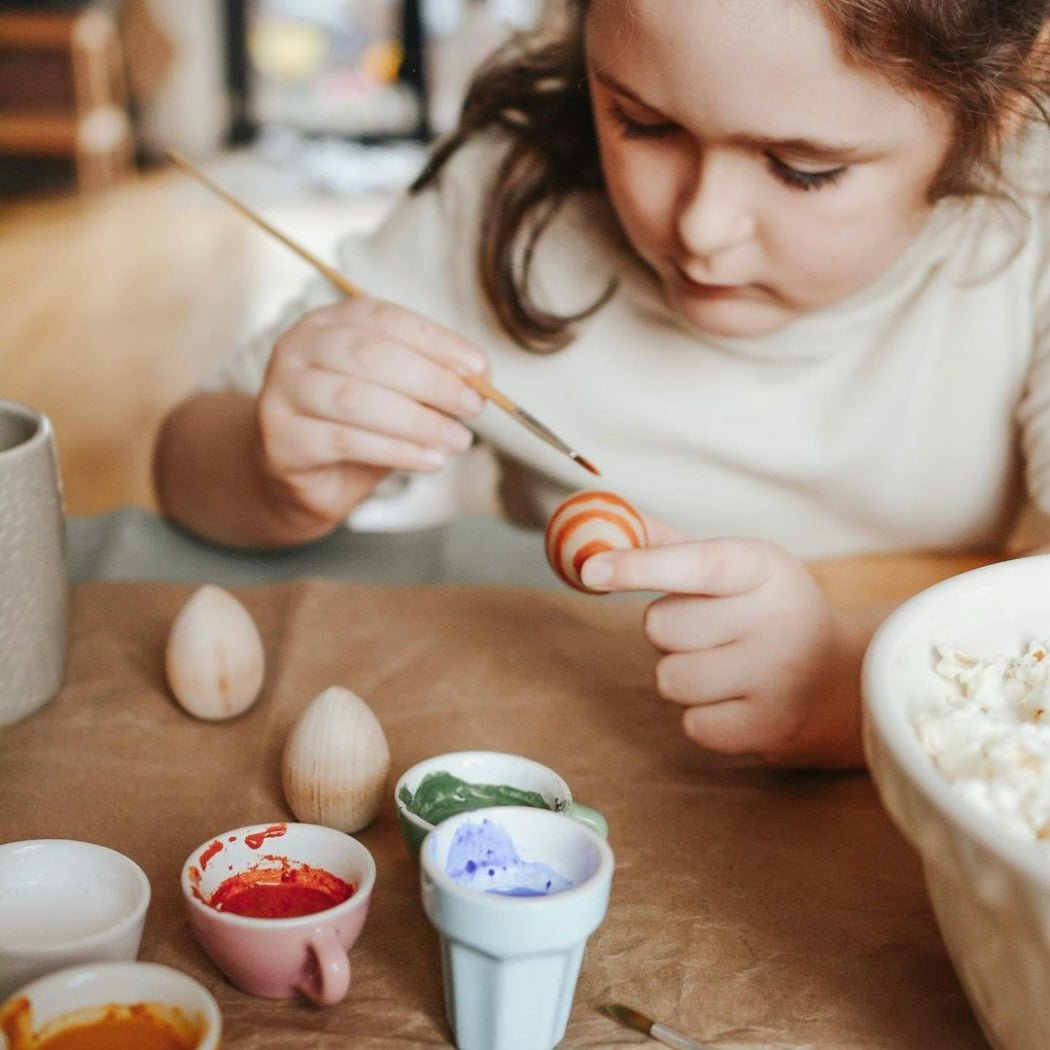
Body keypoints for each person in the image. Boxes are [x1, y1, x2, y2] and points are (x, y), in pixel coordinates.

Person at [154, 0, 1050, 770]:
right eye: (644, 123)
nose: (702, 226)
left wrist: (841, 683)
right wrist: (274, 469)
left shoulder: (1031, 226)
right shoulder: (505, 206)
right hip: (569, 736)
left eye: (801, 168)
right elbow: (185, 466)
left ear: (1001, 104)